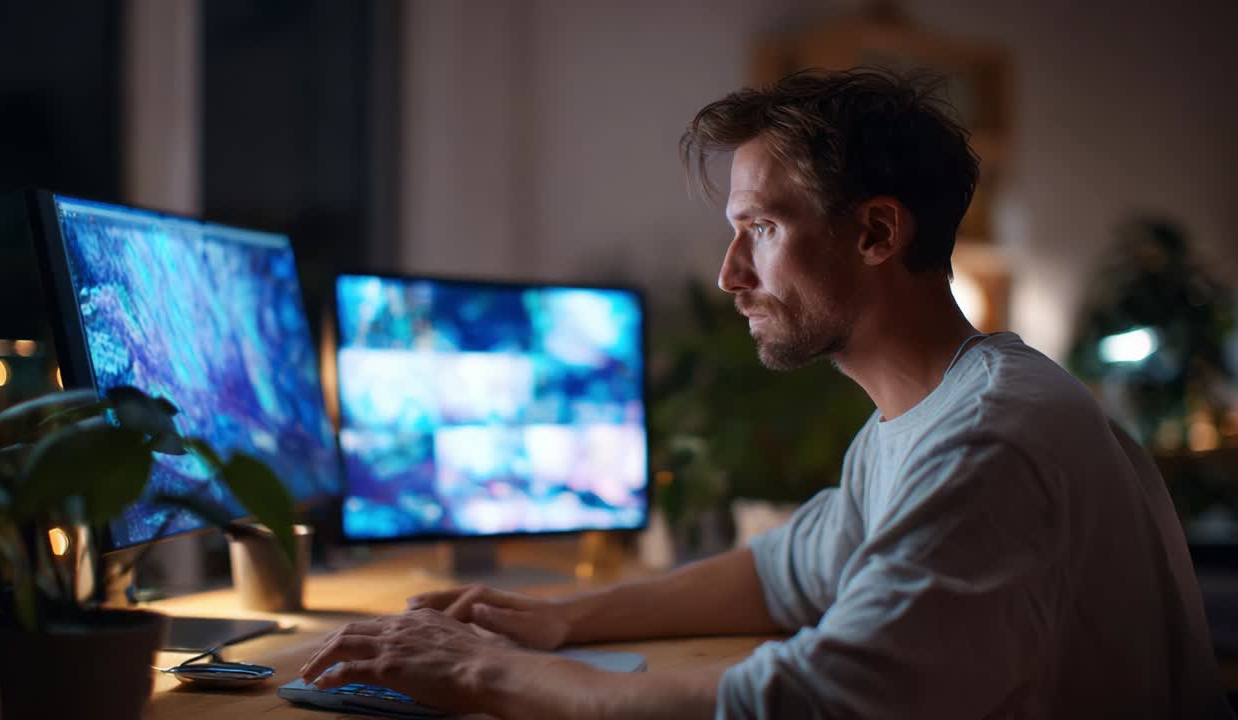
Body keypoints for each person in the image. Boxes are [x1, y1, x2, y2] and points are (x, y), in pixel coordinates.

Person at [300, 68, 1229, 718]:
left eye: (760, 229)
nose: (728, 275)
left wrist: (481, 677)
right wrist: (561, 618)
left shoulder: (989, 441)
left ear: (875, 232)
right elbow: (785, 570)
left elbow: (806, 703)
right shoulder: (922, 419)